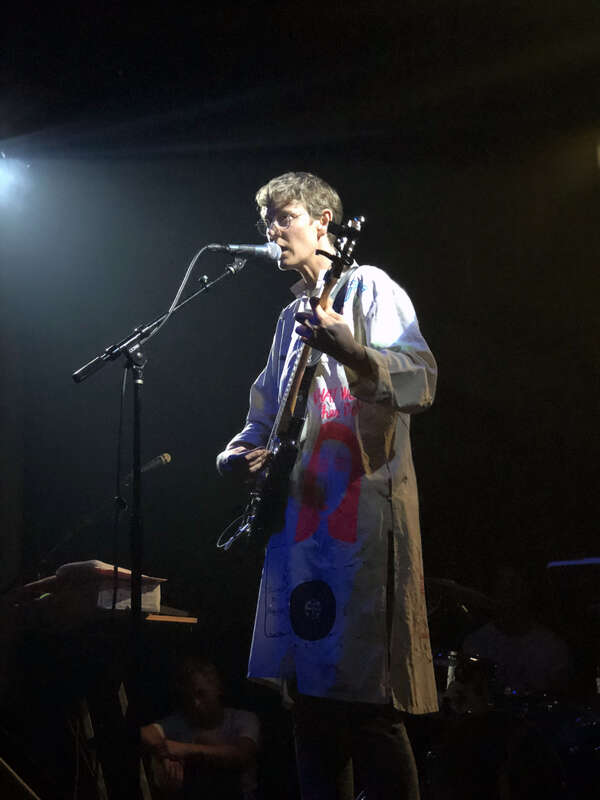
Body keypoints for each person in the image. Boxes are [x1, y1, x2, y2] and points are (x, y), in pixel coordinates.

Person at [217, 171, 438, 800]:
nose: (272, 231)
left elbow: (421, 377)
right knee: (310, 701)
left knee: (365, 699)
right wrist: (236, 454)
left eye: (284, 217)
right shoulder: (291, 317)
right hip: (301, 525)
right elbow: (264, 415)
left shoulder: (369, 287)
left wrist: (357, 352)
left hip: (360, 522)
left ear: (324, 223)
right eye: (267, 222)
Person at [141, 656, 260, 800]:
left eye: (201, 694)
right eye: (189, 698)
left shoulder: (243, 719)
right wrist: (166, 755)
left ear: (217, 688)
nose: (195, 703)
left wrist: (187, 749)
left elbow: (242, 754)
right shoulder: (183, 721)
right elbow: (146, 734)